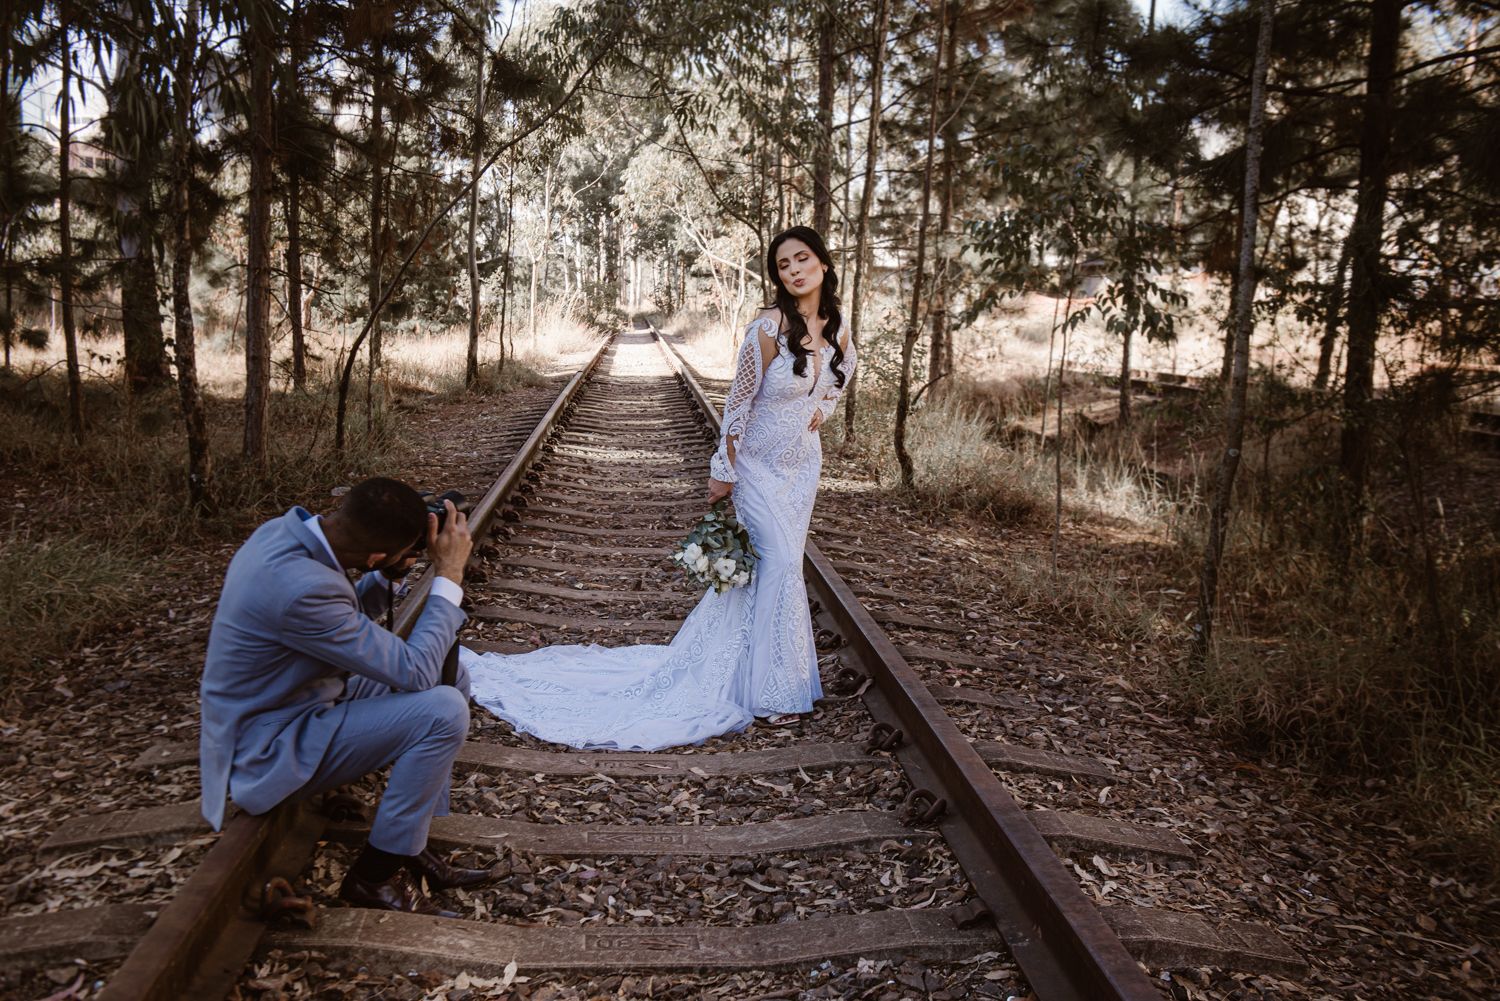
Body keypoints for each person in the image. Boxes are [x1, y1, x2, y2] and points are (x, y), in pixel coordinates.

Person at [461, 225, 856, 750]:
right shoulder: (766, 328)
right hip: (758, 468)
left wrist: (822, 409)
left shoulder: (838, 325)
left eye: (802, 259)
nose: (793, 271)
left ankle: (746, 671)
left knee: (772, 571)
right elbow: (737, 404)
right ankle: (774, 693)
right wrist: (725, 470)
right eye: (783, 265)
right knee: (782, 565)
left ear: (823, 264)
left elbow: (845, 370)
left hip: (801, 469)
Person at [199, 476, 497, 916]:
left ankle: (409, 846)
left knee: (453, 679)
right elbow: (413, 671)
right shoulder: (302, 591)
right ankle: (375, 877)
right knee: (442, 709)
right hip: (266, 747)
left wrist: (389, 572)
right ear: (375, 554)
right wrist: (449, 575)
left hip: (298, 696)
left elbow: (339, 615)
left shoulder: (281, 534)